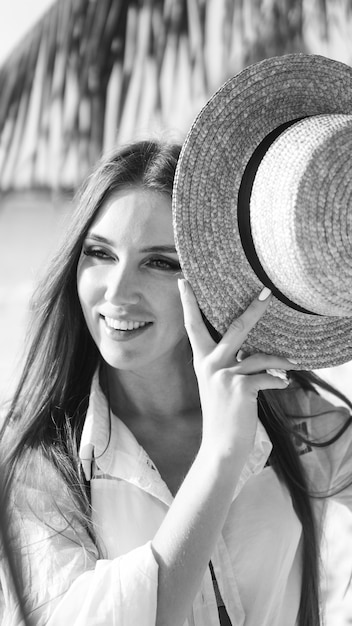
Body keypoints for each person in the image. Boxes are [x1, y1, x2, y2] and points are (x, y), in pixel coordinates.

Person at [0, 56, 351, 626]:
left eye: (160, 263)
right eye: (100, 254)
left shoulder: (290, 419)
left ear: (208, 280)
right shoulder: (41, 466)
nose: (118, 291)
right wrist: (221, 454)